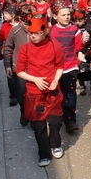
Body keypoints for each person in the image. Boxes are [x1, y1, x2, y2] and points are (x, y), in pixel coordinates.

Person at [16, 14, 64, 167]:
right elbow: (19, 71)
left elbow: (60, 66)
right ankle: (43, 153)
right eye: (30, 33)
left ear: (44, 32)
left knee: (55, 121)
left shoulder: (54, 45)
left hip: (52, 90)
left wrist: (56, 80)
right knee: (39, 124)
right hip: (34, 92)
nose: (33, 36)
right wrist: (35, 79)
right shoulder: (25, 48)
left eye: (36, 33)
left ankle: (55, 144)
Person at [50, 0, 86, 133]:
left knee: (70, 94)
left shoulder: (74, 29)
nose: (67, 17)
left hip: (71, 66)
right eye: (63, 15)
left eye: (68, 15)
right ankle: (57, 117)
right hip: (55, 69)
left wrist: (82, 47)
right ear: (55, 16)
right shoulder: (51, 31)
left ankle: (70, 121)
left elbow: (77, 46)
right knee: (57, 95)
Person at [0, 4, 20, 106]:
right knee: (11, 77)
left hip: (20, 55)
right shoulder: (5, 26)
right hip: (9, 55)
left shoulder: (22, 25)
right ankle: (13, 95)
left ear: (13, 14)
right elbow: (0, 38)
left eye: (6, 13)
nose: (4, 15)